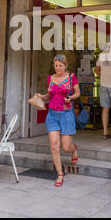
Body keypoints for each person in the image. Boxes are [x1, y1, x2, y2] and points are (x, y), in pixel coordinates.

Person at [35, 54, 80, 187]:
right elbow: (50, 95)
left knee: (65, 147)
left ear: (65, 66)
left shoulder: (71, 77)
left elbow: (78, 93)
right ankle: (60, 174)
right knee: (54, 146)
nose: (58, 68)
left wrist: (71, 98)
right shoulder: (50, 78)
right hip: (52, 115)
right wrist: (42, 96)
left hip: (66, 114)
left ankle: (73, 149)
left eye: (60, 66)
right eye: (56, 65)